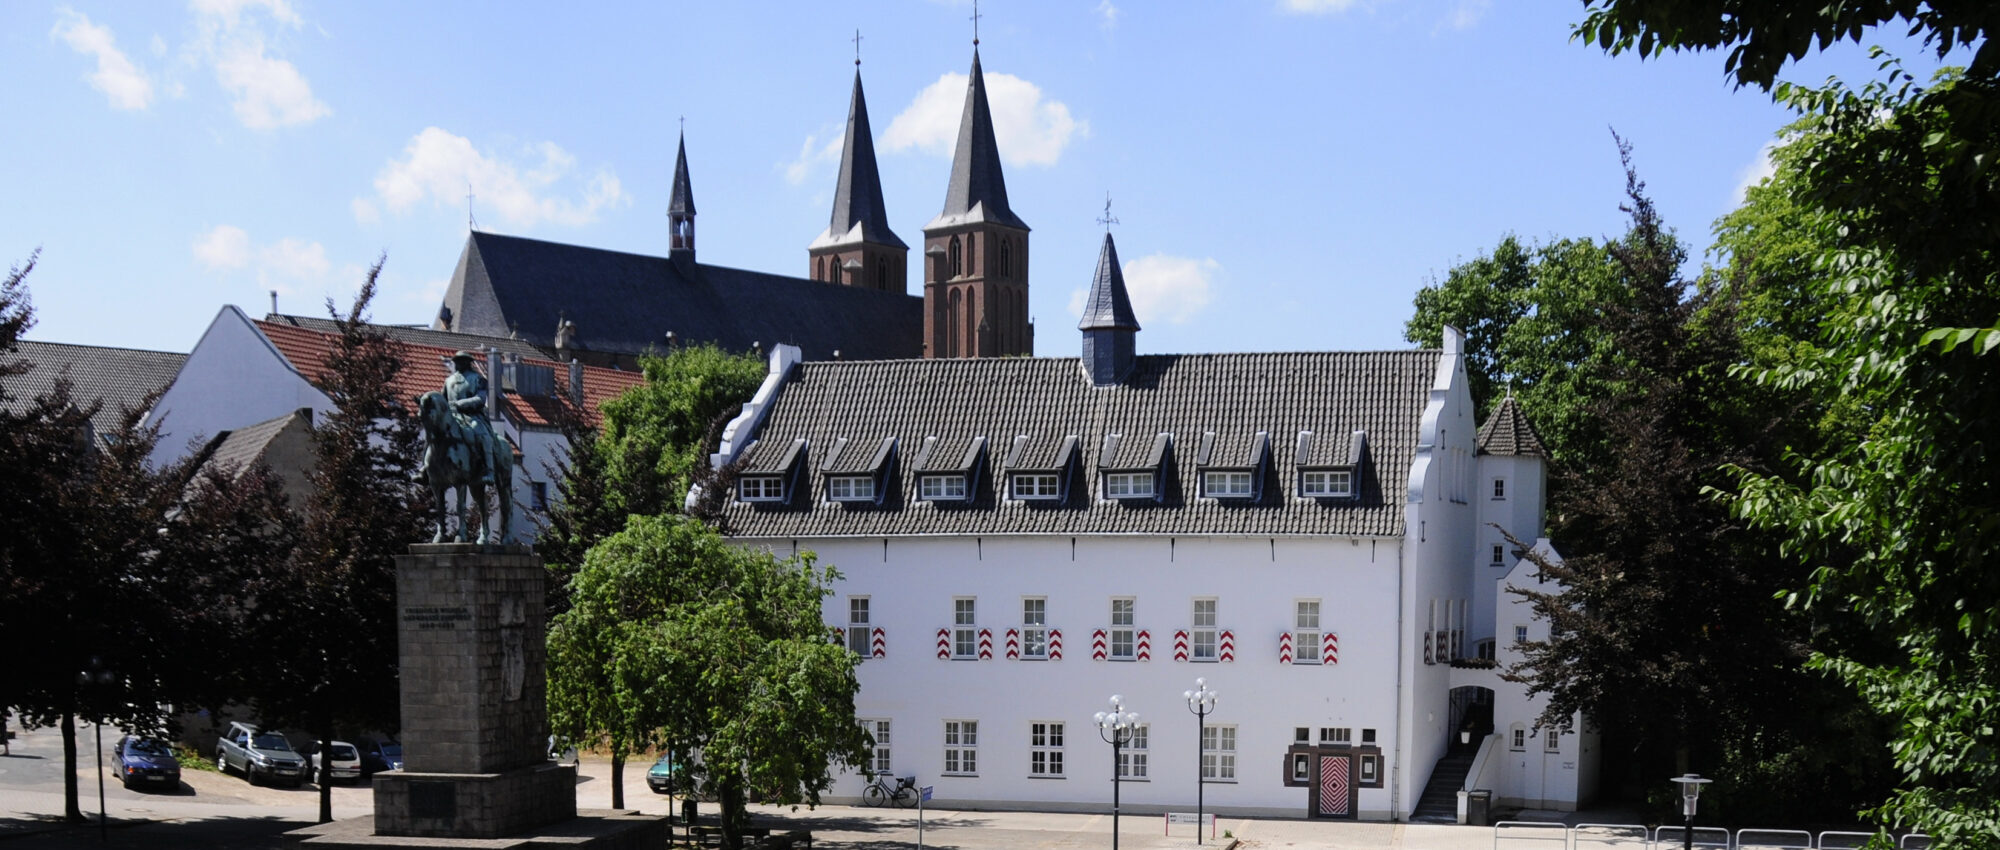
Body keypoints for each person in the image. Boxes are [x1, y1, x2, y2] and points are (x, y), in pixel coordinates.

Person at [443, 351, 501, 484]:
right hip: (452, 416)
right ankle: (425, 467)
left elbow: (480, 399)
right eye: (456, 361)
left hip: (472, 416)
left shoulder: (478, 379)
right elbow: (443, 399)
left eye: (460, 361)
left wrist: (460, 404)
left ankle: (489, 470)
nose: (457, 363)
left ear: (467, 363)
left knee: (482, 435)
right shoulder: (448, 380)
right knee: (435, 435)